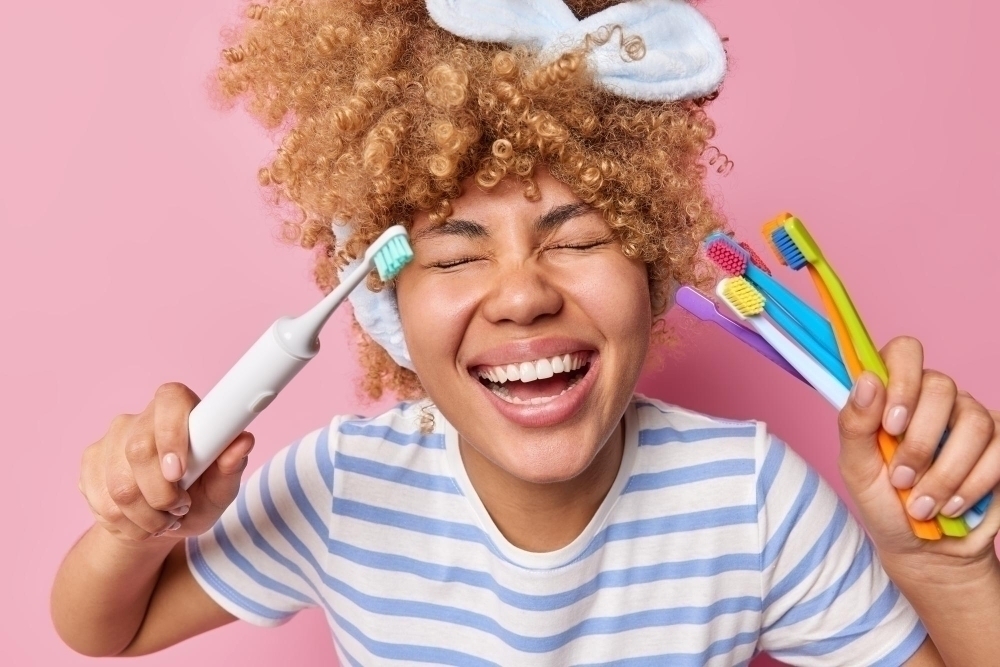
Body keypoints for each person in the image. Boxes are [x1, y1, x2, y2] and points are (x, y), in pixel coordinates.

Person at [51, 1, 1000, 664]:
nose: (522, 296)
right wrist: (139, 524)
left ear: (654, 263)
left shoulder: (749, 500)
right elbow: (107, 628)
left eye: (580, 237)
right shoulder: (342, 485)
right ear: (386, 298)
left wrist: (940, 565)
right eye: (458, 255)